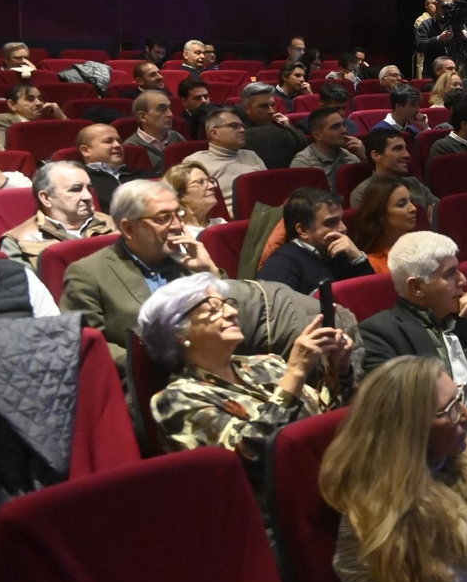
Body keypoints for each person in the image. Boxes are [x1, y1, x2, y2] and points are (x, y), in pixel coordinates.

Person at [141, 274, 342, 490]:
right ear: (179, 332)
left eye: (229, 304)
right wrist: (295, 373)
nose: (233, 312)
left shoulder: (266, 363)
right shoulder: (175, 400)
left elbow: (325, 416)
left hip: (334, 471)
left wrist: (339, 370)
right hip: (285, 503)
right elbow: (249, 457)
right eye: (213, 308)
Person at [357, 232, 467, 385]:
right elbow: (400, 405)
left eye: (458, 269)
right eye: (450, 274)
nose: (462, 280)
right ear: (417, 286)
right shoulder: (379, 334)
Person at [0, 161, 116, 268]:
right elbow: (25, 288)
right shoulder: (17, 241)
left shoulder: (115, 224)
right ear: (46, 198)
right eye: (75, 189)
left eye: (89, 189)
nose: (88, 196)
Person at [257, 187, 373, 292]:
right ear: (302, 230)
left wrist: (358, 259)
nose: (343, 228)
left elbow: (374, 297)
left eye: (341, 220)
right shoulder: (281, 265)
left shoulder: (339, 251)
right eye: (331, 223)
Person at [182, 108, 267, 207]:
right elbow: (195, 205)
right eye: (234, 126)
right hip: (228, 220)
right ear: (214, 133)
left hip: (265, 214)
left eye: (242, 126)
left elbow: (268, 190)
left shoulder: (251, 155)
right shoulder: (196, 162)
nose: (242, 130)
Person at [349, 131, 438, 216]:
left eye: (405, 148)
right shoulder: (363, 193)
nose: (407, 154)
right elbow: (372, 229)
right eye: (397, 149)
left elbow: (441, 213)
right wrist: (425, 221)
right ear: (376, 155)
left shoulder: (414, 183)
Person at [348, 176, 419, 275]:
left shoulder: (422, 244)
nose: (413, 208)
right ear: (381, 214)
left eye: (411, 201)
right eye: (401, 204)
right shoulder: (372, 264)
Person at [76, 124, 147, 214]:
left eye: (119, 141)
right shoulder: (81, 182)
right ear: (86, 151)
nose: (118, 145)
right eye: (108, 141)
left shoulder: (143, 175)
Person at [289, 107, 365, 181]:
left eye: (343, 125)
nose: (344, 130)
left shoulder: (350, 157)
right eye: (335, 127)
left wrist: (363, 158)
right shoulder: (303, 163)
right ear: (317, 136)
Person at [120, 90, 184, 173]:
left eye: (170, 108)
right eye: (162, 109)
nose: (170, 114)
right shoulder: (131, 147)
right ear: (143, 117)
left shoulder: (176, 136)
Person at [158, 163, 223, 242]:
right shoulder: (175, 233)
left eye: (210, 181)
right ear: (181, 195)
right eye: (201, 182)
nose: (211, 186)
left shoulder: (221, 223)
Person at [0, 82, 63, 149]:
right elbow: (0, 152)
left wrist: (62, 117)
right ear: (12, 104)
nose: (39, 103)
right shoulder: (2, 120)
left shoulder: (49, 119)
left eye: (40, 98)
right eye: (30, 99)